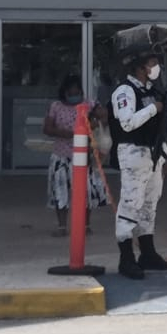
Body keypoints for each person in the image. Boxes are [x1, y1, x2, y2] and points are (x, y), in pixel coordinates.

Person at [109, 51, 167, 279]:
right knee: (130, 205)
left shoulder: (154, 91)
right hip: (133, 152)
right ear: (139, 67)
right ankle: (126, 259)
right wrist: (153, 108)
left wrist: (164, 157)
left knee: (149, 205)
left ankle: (148, 254)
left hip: (153, 155)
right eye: (152, 63)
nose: (156, 67)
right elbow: (127, 123)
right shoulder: (125, 91)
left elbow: (162, 127)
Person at [43, 75, 110, 237]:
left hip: (84, 156)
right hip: (61, 155)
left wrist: (95, 121)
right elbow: (47, 128)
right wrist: (68, 133)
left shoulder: (88, 105)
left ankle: (85, 225)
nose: (75, 95)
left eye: (77, 92)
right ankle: (62, 226)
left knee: (86, 191)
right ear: (64, 92)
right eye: (71, 92)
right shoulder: (56, 107)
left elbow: (104, 116)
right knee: (61, 191)